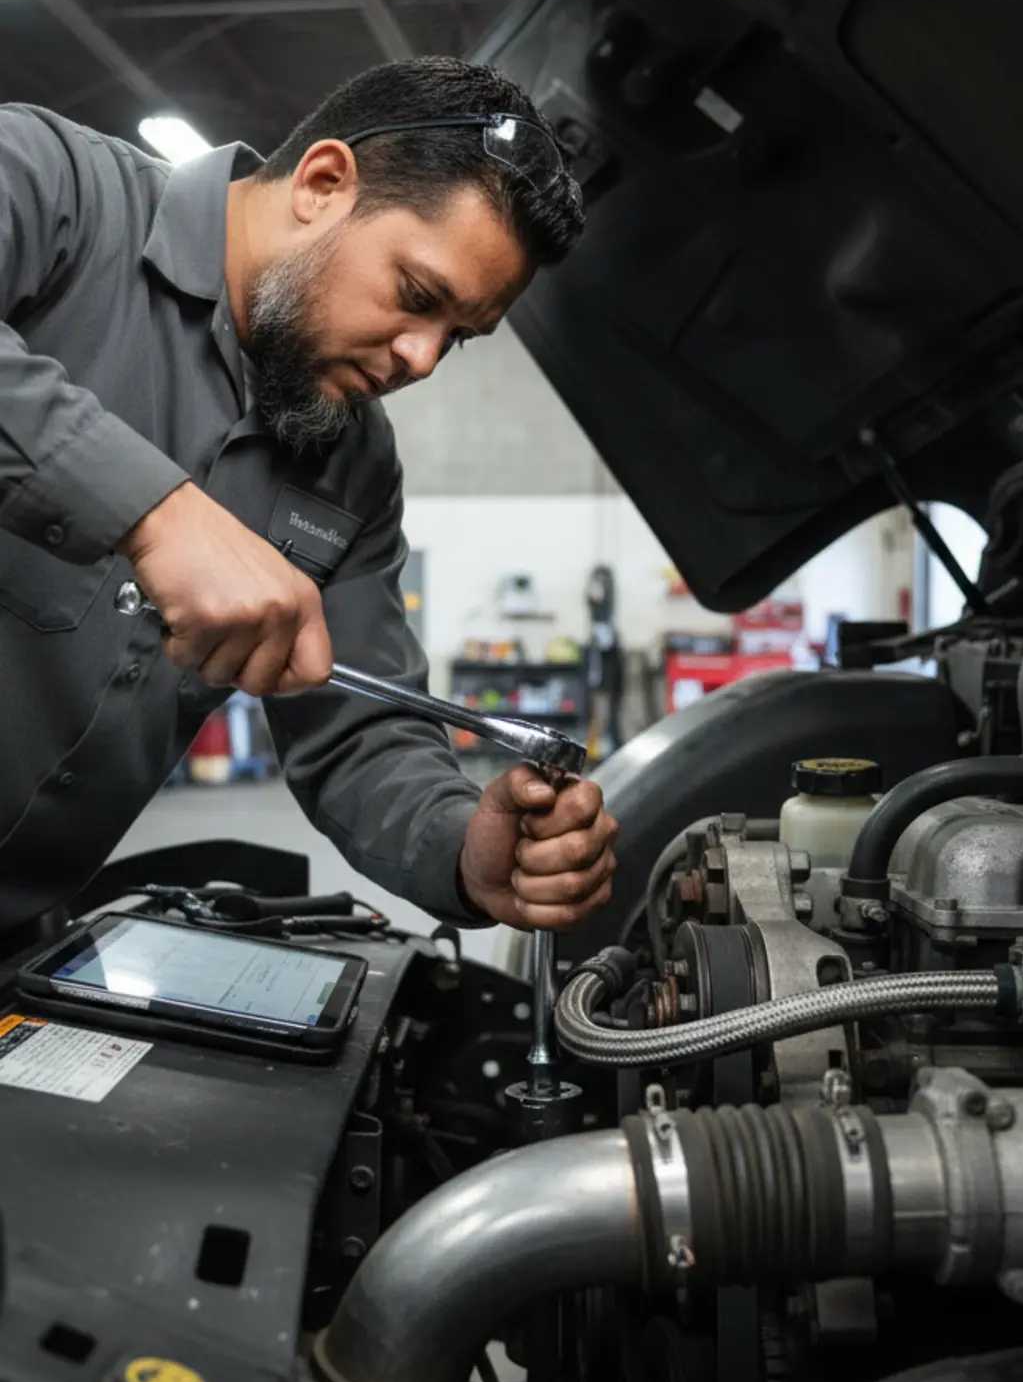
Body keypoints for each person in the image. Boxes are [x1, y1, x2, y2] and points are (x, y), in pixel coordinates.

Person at [0, 56, 618, 945]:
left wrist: (462, 850)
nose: (421, 360)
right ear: (323, 184)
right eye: (417, 297)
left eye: (461, 339)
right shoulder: (57, 192)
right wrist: (156, 512)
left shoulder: (353, 465)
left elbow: (359, 735)